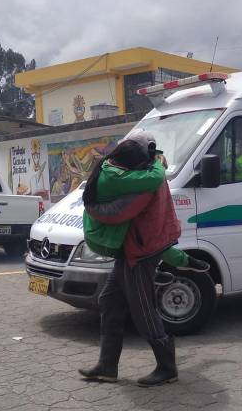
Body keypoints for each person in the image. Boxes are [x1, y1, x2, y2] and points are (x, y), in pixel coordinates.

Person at [78, 132, 205, 387]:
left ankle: (167, 367)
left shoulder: (141, 179)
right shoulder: (138, 175)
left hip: (140, 250)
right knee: (110, 300)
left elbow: (151, 227)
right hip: (133, 248)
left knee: (143, 309)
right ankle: (107, 365)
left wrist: (181, 258)